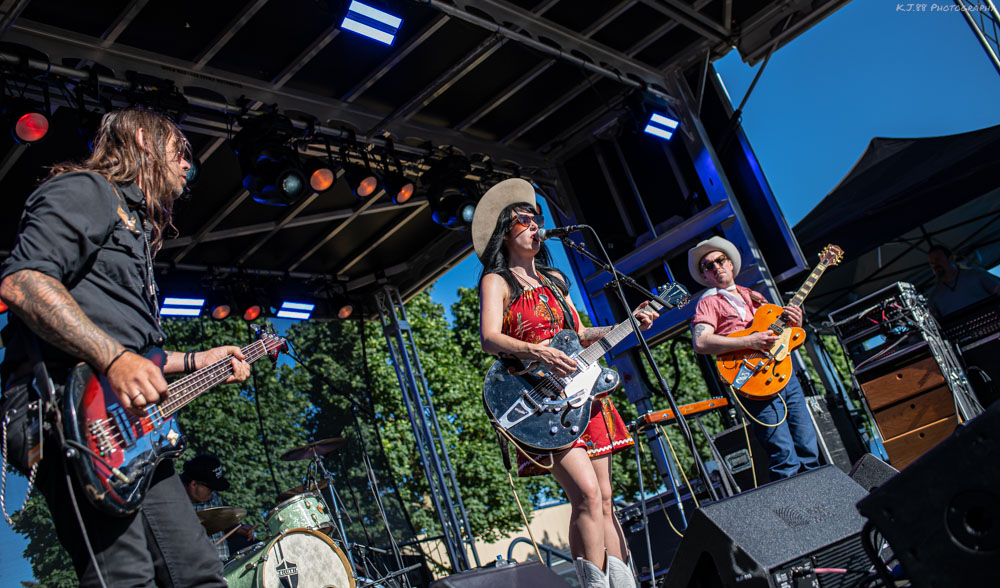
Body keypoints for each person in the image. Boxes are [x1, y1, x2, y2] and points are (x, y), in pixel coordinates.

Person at [0, 108, 251, 587]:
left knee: (200, 575)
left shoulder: (135, 230)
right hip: (72, 418)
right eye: (181, 152)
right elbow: (24, 282)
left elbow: (139, 356)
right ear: (141, 138)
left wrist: (199, 360)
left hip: (136, 437)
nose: (187, 167)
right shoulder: (86, 190)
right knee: (126, 579)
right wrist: (112, 358)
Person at [474, 178, 657, 588]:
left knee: (607, 500)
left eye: (537, 219)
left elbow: (577, 333)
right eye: (524, 220)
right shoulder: (497, 282)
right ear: (505, 233)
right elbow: (489, 338)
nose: (535, 225)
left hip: (583, 394)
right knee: (587, 496)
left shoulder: (555, 279)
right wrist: (537, 351)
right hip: (538, 400)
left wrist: (627, 324)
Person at [688, 236, 820, 481]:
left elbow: (780, 337)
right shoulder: (709, 302)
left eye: (720, 260)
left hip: (784, 373)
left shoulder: (756, 297)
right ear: (705, 276)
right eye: (708, 266)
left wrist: (795, 326)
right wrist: (750, 341)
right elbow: (701, 342)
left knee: (809, 449)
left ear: (730, 264)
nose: (716, 267)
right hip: (752, 380)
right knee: (783, 458)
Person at [182, 454, 255, 561]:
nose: (214, 492)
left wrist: (236, 529)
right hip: (195, 567)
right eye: (210, 488)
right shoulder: (173, 501)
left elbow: (216, 524)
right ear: (193, 484)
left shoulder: (213, 498)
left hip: (223, 562)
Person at [926, 243, 1000, 319]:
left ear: (951, 258)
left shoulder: (975, 274)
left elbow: (998, 289)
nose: (935, 265)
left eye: (938, 259)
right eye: (932, 263)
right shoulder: (934, 296)